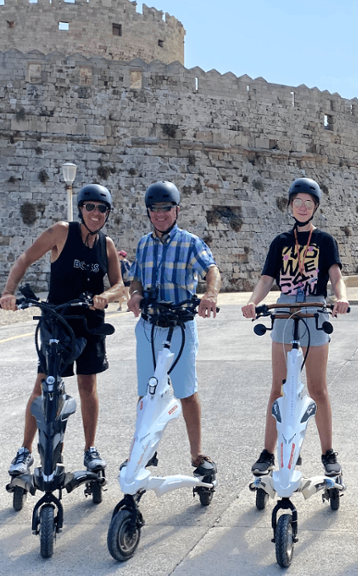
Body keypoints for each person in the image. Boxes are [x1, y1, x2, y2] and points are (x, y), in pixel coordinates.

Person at [0, 183, 125, 480]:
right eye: (90, 207)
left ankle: (90, 450)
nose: (95, 213)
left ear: (107, 213)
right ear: (81, 208)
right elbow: (25, 259)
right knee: (44, 384)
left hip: (90, 322)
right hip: (58, 319)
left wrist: (106, 296)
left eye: (102, 208)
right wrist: (8, 292)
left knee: (87, 386)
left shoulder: (106, 245)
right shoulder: (60, 232)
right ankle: (25, 451)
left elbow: (121, 285)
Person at [241, 177, 350, 478]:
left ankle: (328, 452)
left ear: (315, 206)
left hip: (315, 309)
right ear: (290, 205)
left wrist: (340, 297)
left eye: (308, 202)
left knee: (318, 388)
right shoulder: (280, 242)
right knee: (278, 387)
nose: (302, 207)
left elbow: (336, 275)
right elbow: (266, 279)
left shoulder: (325, 241)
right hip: (285, 310)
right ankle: (268, 452)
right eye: (297, 202)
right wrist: (253, 302)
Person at [127, 181, 221, 484]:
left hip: (180, 326)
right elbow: (136, 279)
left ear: (176, 210)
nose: (160, 214)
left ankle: (197, 454)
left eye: (166, 208)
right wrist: (135, 294)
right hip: (150, 326)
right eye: (154, 209)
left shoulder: (190, 243)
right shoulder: (143, 244)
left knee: (186, 393)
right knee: (146, 393)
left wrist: (211, 295)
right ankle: (146, 448)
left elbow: (211, 270)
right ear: (148, 212)